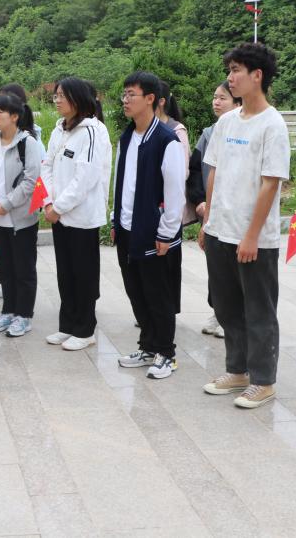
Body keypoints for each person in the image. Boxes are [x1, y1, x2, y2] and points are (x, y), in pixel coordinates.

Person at [202, 43, 290, 409]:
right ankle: (237, 371)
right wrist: (207, 222)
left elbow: (270, 184)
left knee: (259, 311)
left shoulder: (273, 125)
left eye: (237, 70)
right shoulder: (227, 122)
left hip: (254, 238)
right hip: (220, 230)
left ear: (258, 75)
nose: (230, 77)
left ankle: (263, 380)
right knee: (227, 308)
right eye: (230, 70)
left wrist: (251, 235)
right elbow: (214, 171)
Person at [111, 73, 186, 378]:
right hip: (127, 228)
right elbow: (120, 182)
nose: (125, 100)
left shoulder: (166, 140)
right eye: (124, 94)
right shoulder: (127, 137)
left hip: (155, 234)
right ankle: (148, 346)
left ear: (151, 99)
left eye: (132, 94)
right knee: (136, 291)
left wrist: (166, 233)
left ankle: (166, 353)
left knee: (158, 295)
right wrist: (116, 218)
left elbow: (175, 192)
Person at [41, 77, 112, 351]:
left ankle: (85, 329)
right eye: (56, 95)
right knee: (65, 272)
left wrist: (58, 207)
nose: (57, 100)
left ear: (78, 99)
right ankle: (67, 325)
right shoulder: (59, 129)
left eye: (62, 95)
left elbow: (86, 176)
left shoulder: (92, 131)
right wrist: (49, 202)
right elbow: (46, 166)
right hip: (58, 214)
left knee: (83, 274)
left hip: (81, 216)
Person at [0, 93, 44, 337]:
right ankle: (8, 311)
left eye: (0, 112)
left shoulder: (28, 144)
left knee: (23, 269)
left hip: (20, 219)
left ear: (14, 116)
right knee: (3, 269)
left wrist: (5, 204)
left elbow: (30, 181)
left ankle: (24, 315)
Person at [186, 82, 241, 339]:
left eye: (223, 98)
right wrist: (200, 200)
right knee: (216, 266)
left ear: (237, 103)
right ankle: (218, 312)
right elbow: (196, 169)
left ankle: (232, 316)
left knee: (234, 267)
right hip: (210, 210)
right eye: (215, 97)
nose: (216, 102)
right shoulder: (209, 134)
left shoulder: (244, 132)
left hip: (234, 213)